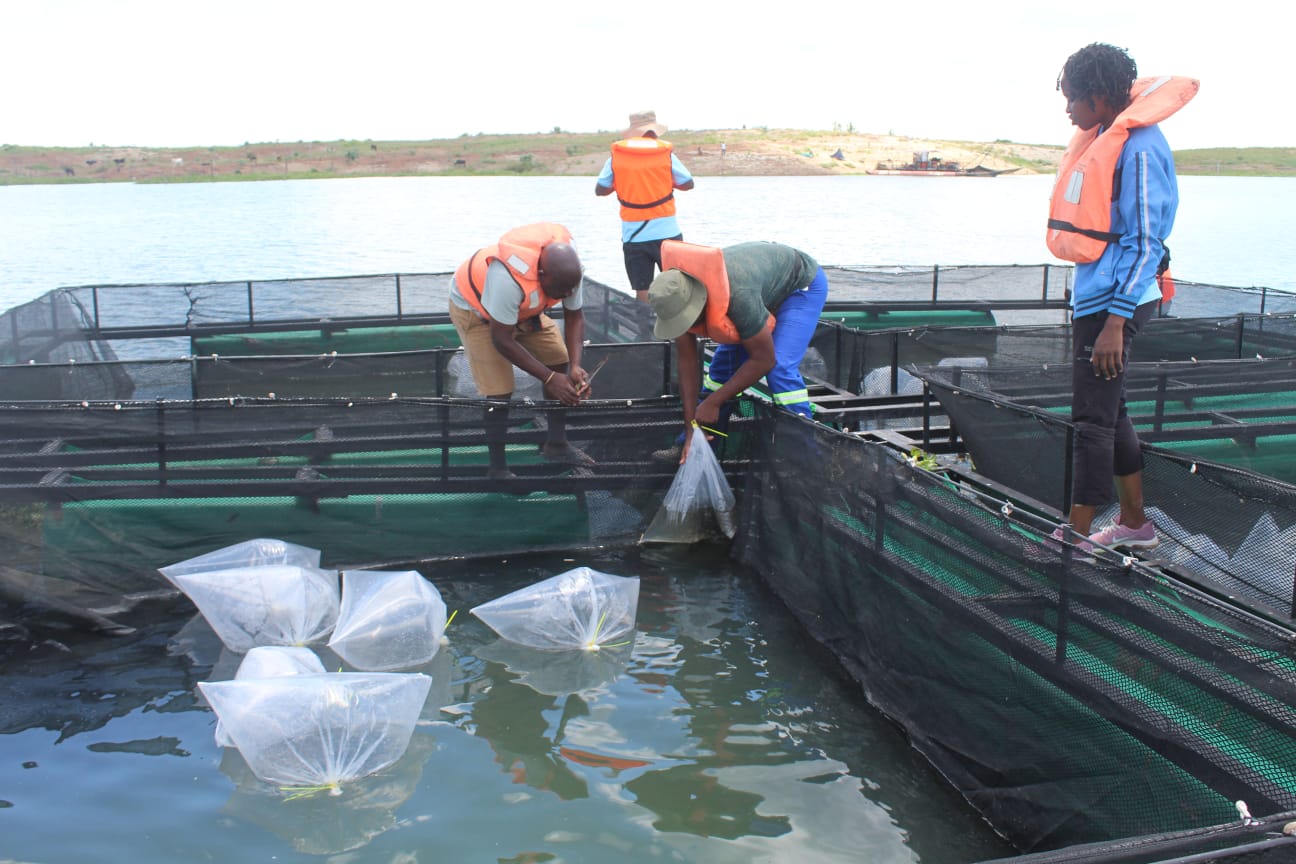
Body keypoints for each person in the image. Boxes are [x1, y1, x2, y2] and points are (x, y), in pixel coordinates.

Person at [1046, 43, 1197, 552]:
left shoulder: (1140, 149)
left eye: (1073, 99)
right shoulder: (1106, 138)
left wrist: (1116, 320)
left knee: (1091, 421)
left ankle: (1076, 538)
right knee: (1114, 412)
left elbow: (1146, 241)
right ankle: (1135, 524)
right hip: (1101, 295)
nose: (1068, 110)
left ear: (1098, 95)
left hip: (1118, 301)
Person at [647, 239, 828, 461]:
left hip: (800, 287)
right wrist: (691, 427)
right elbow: (687, 365)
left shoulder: (738, 296)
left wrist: (713, 402)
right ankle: (695, 445)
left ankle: (807, 458)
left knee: (780, 368)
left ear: (697, 302)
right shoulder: (673, 299)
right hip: (760, 288)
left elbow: (764, 359)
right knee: (720, 372)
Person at [449, 222, 595, 479]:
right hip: (477, 311)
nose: (565, 295)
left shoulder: (569, 274)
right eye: (560, 292)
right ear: (540, 274)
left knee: (558, 361)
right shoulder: (507, 278)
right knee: (499, 392)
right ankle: (497, 469)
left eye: (568, 290)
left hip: (523, 310)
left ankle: (557, 445)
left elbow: (575, 316)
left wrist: (574, 366)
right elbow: (501, 339)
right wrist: (549, 379)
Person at [595, 111, 695, 303]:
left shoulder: (617, 157)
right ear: (654, 132)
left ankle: (645, 328)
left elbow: (600, 189)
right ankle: (679, 330)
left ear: (633, 133)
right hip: (668, 234)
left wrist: (622, 184)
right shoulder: (665, 155)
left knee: (642, 288)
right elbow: (688, 183)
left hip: (634, 236)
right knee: (676, 286)